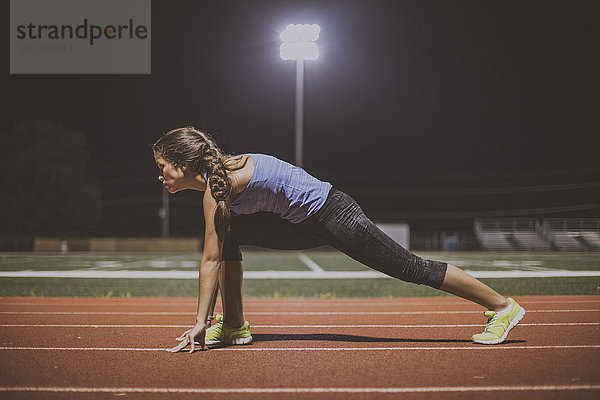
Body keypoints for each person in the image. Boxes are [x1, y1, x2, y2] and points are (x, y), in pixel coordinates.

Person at [152, 126, 525, 353]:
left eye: (162, 167)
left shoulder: (217, 190)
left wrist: (199, 321)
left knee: (409, 267)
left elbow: (210, 261)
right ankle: (234, 324)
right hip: (299, 223)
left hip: (333, 213)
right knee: (229, 231)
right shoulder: (220, 182)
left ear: (183, 164)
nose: (160, 176)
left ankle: (502, 306)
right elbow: (216, 254)